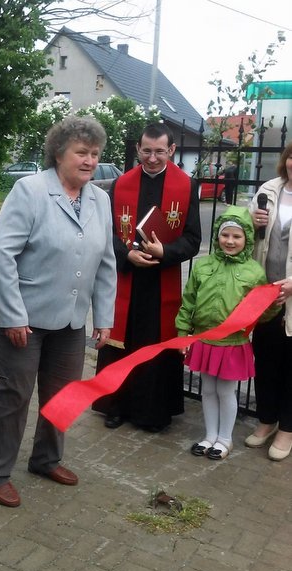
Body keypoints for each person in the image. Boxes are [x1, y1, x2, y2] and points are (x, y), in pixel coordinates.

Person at [0, 116, 117, 508]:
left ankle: (45, 459)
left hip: (70, 318)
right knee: (14, 395)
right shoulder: (31, 190)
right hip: (21, 316)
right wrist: (12, 314)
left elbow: (106, 261)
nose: (89, 160)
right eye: (81, 152)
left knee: (64, 394)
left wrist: (103, 316)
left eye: (95, 154)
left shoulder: (100, 200)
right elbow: (2, 253)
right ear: (59, 153)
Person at [93, 122, 201, 432]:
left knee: (154, 347)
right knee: (120, 345)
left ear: (171, 150)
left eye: (159, 151)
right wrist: (126, 254)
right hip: (127, 278)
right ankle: (115, 405)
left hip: (160, 280)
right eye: (146, 151)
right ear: (138, 149)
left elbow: (193, 239)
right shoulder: (121, 184)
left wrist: (163, 251)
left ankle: (152, 412)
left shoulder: (186, 186)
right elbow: (108, 233)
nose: (152, 158)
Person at [176, 206, 277, 460]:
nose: (230, 241)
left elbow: (260, 312)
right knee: (207, 390)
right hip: (205, 339)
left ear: (247, 239)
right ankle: (210, 436)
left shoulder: (254, 272)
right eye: (225, 235)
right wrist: (182, 332)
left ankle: (225, 439)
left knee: (225, 391)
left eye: (237, 236)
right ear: (217, 237)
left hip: (232, 343)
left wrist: (272, 305)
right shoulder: (203, 266)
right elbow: (188, 300)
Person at [246, 141, 292, 461]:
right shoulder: (269, 189)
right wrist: (253, 222)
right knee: (265, 359)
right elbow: (241, 234)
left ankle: (287, 429)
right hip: (265, 293)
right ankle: (266, 421)